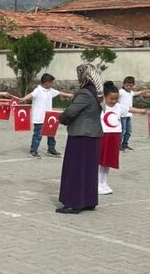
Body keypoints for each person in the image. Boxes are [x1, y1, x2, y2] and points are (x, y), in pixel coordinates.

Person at [55, 64, 103, 215]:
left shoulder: (85, 93)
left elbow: (71, 111)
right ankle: (88, 200)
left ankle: (74, 202)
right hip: (93, 135)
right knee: (88, 169)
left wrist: (61, 118)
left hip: (81, 135)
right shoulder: (97, 92)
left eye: (79, 74)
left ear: (84, 75)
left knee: (75, 169)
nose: (77, 77)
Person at [98, 82, 150, 195]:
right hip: (103, 136)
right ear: (105, 97)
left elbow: (129, 109)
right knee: (100, 162)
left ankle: (104, 183)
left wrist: (140, 111)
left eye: (116, 99)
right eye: (111, 99)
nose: (113, 101)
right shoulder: (100, 107)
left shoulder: (118, 107)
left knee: (108, 162)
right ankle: (97, 183)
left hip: (115, 136)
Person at [17, 73, 73, 159]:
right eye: (52, 83)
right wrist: (23, 99)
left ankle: (51, 149)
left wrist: (70, 95)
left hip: (49, 117)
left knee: (51, 134)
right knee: (38, 135)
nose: (52, 85)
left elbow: (59, 93)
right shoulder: (38, 90)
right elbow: (31, 95)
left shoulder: (50, 90)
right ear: (47, 83)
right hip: (39, 118)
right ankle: (33, 151)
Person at [118, 76, 150, 151]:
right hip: (122, 115)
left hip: (129, 114)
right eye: (127, 85)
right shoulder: (120, 92)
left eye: (130, 85)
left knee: (128, 131)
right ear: (124, 84)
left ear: (133, 85)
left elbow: (135, 93)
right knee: (122, 131)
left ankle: (125, 144)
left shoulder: (130, 92)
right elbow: (115, 96)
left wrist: (142, 92)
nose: (128, 87)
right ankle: (118, 145)